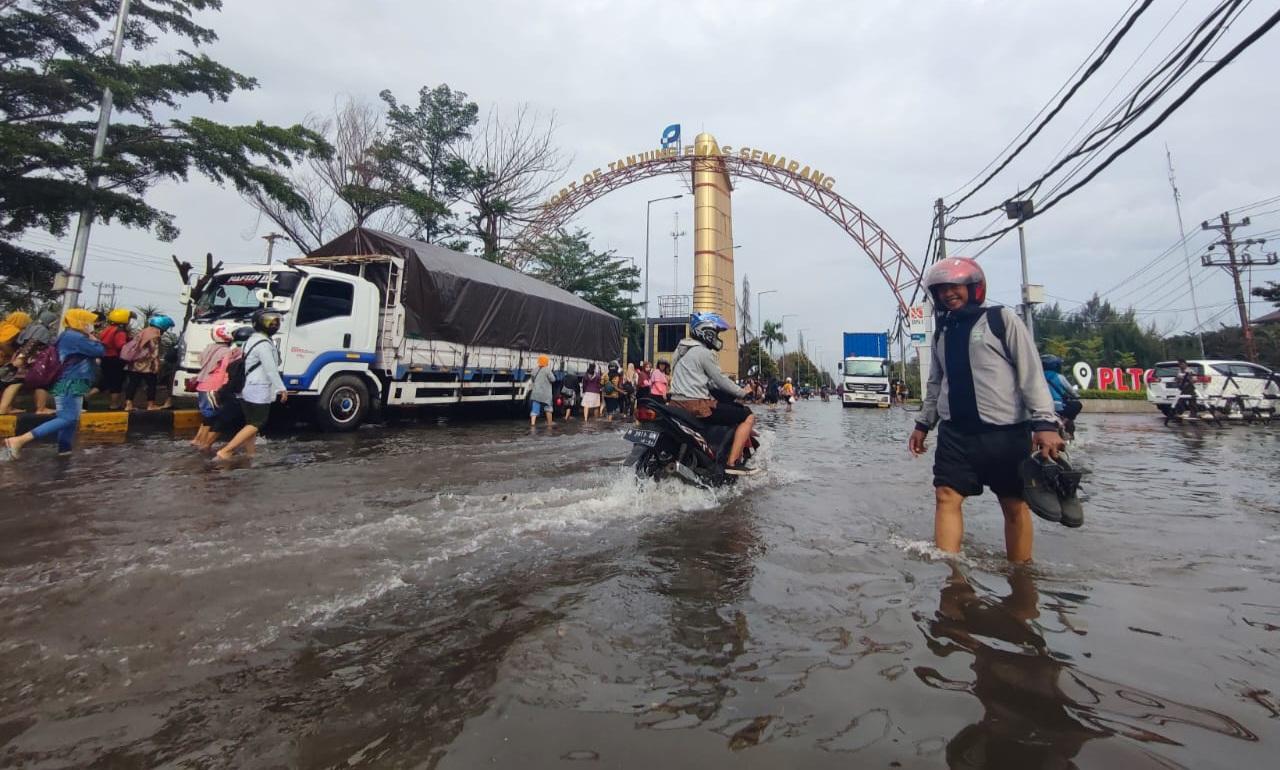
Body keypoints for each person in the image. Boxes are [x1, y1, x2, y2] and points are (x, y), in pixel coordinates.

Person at [907, 257, 1063, 564]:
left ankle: (1021, 576)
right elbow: (936, 383)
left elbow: (1031, 372)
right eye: (941, 290)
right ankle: (952, 577)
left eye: (955, 287)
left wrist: (1045, 423)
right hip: (956, 434)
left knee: (1013, 504)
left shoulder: (1001, 320)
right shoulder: (942, 332)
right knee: (946, 496)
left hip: (1004, 433)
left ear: (974, 288)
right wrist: (923, 424)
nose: (948, 294)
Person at [2, 309, 105, 459]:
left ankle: (64, 451)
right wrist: (92, 337)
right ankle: (19, 440)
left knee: (71, 419)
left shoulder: (72, 336)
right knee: (67, 418)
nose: (91, 325)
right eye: (88, 322)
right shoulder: (74, 337)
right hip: (69, 381)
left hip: (74, 381)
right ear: (80, 321)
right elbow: (100, 351)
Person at [668, 312, 757, 472]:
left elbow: (706, 381)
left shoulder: (681, 350)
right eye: (716, 333)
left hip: (675, 404)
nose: (717, 336)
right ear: (706, 332)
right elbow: (720, 379)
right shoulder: (704, 352)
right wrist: (743, 392)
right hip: (696, 406)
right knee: (747, 416)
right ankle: (732, 463)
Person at [215, 310, 286, 461]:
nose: (274, 324)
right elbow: (271, 369)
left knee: (250, 424)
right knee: (258, 422)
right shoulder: (265, 344)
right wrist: (282, 388)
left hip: (247, 386)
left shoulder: (252, 340)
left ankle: (250, 453)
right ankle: (226, 451)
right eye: (270, 322)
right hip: (258, 387)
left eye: (276, 321)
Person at [0, 309, 57, 415]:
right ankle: (41, 408)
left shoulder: (30, 328)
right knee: (39, 383)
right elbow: (32, 343)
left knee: (15, 382)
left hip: (24, 359)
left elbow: (21, 343)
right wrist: (21, 358)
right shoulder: (41, 329)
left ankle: (4, 408)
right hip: (33, 361)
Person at [191, 323, 238, 449]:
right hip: (214, 386)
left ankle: (198, 439)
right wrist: (225, 386)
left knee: (207, 414)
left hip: (202, 384)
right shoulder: (226, 352)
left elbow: (201, 360)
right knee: (213, 416)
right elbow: (225, 370)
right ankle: (203, 442)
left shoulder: (209, 348)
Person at [122, 314, 172, 411]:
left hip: (135, 362)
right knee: (151, 384)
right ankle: (151, 405)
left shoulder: (143, 331)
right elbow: (154, 351)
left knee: (133, 383)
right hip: (147, 365)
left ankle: (128, 404)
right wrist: (157, 365)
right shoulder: (155, 334)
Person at [97, 308, 132, 409]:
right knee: (116, 383)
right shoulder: (120, 331)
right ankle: (114, 404)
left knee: (106, 381)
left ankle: (87, 395)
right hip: (116, 359)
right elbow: (121, 345)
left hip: (105, 358)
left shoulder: (107, 329)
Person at [1040, 354, 1082, 436]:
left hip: (1039, 407)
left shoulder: (1037, 377)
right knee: (1078, 405)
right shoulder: (1059, 377)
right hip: (1058, 407)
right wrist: (1076, 395)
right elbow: (1072, 392)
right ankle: (1063, 423)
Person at [529, 354, 555, 427]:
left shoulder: (535, 369)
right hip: (545, 393)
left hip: (536, 392)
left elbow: (533, 379)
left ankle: (532, 424)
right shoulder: (547, 369)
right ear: (546, 362)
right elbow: (553, 379)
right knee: (548, 408)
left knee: (534, 410)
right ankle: (549, 424)